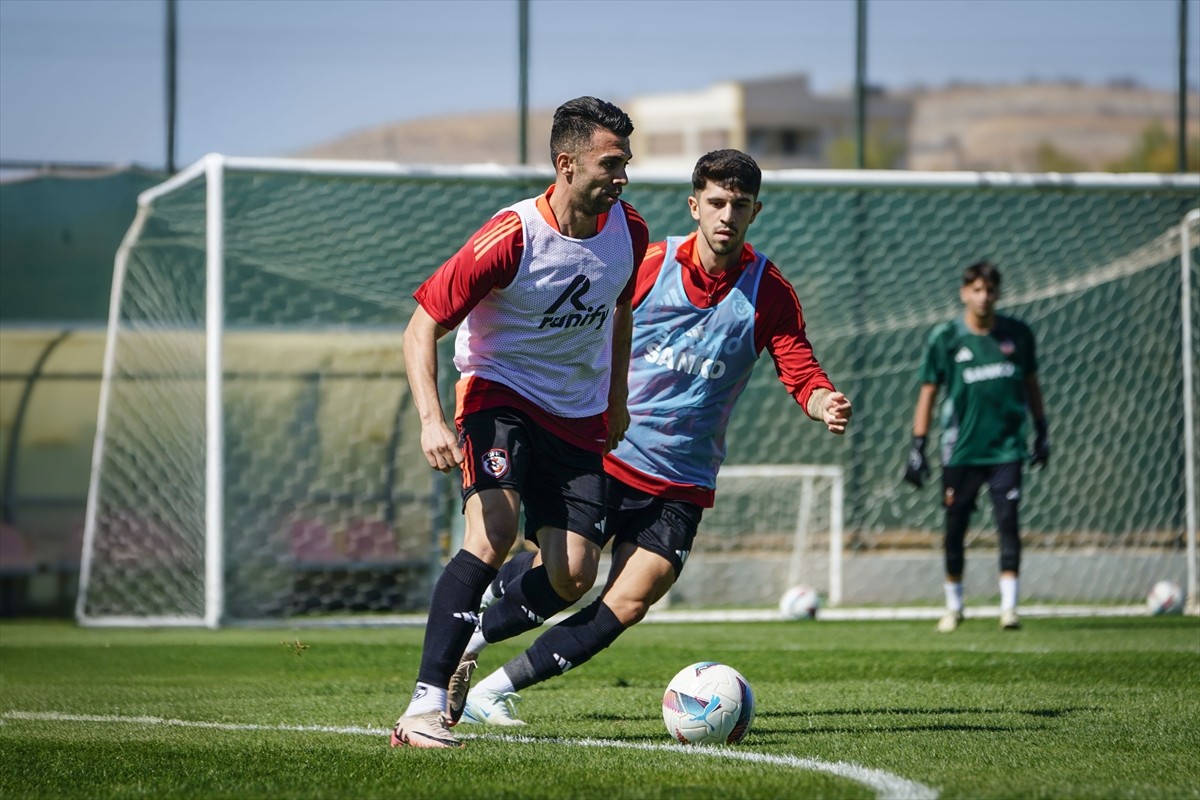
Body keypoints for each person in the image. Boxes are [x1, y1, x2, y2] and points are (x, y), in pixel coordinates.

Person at [448, 149, 852, 726]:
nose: (726, 216)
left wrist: (823, 400)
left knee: (631, 600)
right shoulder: (651, 262)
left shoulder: (769, 293)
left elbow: (800, 367)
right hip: (607, 456)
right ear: (694, 205)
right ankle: (473, 634)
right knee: (564, 574)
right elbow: (588, 316)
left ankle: (493, 690)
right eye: (715, 202)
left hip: (683, 480)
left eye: (739, 206)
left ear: (756, 212)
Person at [389, 96, 649, 749]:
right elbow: (422, 325)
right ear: (566, 164)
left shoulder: (631, 230)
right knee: (494, 530)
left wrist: (617, 397)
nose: (622, 178)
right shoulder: (510, 237)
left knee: (575, 574)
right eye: (609, 163)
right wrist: (431, 419)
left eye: (626, 164)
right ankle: (422, 707)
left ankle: (471, 634)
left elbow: (621, 310)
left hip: (578, 415)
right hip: (497, 397)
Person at [902, 261, 1048, 633]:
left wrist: (1041, 430)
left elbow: (1031, 383)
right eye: (977, 290)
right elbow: (928, 391)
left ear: (998, 294)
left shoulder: (1018, 335)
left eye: (990, 290)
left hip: (1007, 449)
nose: (983, 297)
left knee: (1008, 523)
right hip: (961, 450)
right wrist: (918, 444)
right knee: (954, 528)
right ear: (965, 293)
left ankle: (1009, 608)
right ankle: (954, 606)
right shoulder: (946, 338)